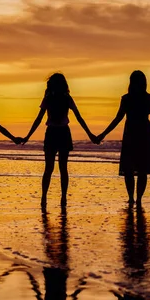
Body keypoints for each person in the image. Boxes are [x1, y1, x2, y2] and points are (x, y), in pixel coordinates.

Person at [96, 70, 150, 207]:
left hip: (131, 133)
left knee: (129, 169)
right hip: (144, 133)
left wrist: (102, 135)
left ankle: (131, 198)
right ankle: (138, 199)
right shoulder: (149, 99)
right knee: (142, 169)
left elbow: (117, 119)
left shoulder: (127, 99)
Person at [23, 73, 96, 208]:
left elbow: (38, 119)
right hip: (62, 133)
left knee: (49, 168)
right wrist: (90, 134)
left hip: (52, 133)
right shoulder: (65, 98)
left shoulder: (49, 98)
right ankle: (61, 197)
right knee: (62, 168)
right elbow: (79, 118)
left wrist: (28, 136)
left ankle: (45, 197)